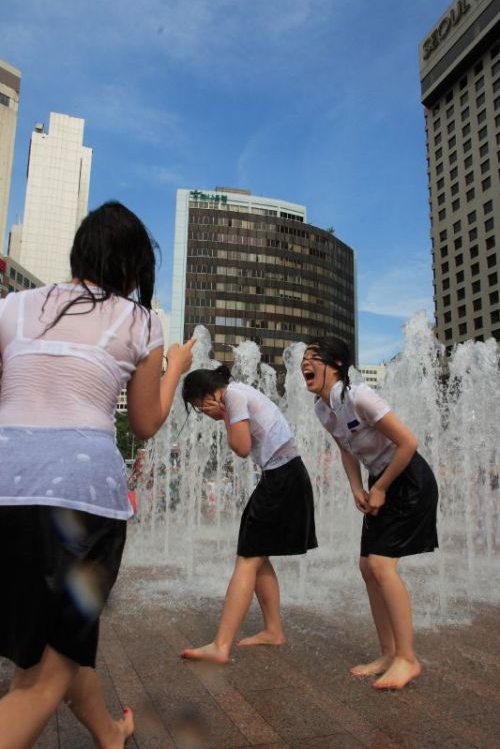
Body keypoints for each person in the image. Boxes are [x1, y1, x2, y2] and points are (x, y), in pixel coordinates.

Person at [0, 201, 195, 749]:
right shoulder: (140, 320)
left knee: (55, 645)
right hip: (83, 506)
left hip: (5, 491)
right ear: (134, 270)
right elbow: (146, 421)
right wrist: (174, 367)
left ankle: (110, 733)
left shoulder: (13, 307)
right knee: (38, 684)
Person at [301, 337, 438, 690]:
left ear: (336, 365)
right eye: (303, 358)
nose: (305, 363)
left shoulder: (360, 396)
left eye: (313, 357)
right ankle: (388, 653)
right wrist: (357, 488)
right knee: (367, 568)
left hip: (408, 479)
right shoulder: (322, 410)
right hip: (381, 480)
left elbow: (408, 443)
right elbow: (347, 451)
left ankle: (408, 659)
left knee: (381, 565)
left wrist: (379, 488)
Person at [181, 365, 317, 663]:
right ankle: (273, 630)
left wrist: (227, 416)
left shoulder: (232, 397)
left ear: (206, 395)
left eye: (198, 407)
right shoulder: (239, 393)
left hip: (283, 476)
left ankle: (221, 645)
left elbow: (241, 448)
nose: (203, 413)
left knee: (247, 558)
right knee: (257, 554)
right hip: (283, 474)